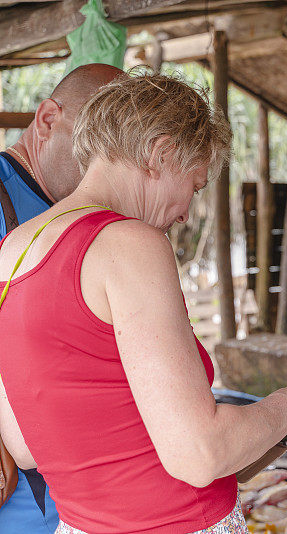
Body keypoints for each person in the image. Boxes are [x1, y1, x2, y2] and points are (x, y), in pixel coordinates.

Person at [0, 72, 287, 533]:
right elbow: (200, 455)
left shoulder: (15, 249)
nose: (185, 212)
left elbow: (26, 446)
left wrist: (277, 433)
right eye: (195, 186)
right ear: (160, 154)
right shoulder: (129, 244)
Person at [0, 63, 123, 533]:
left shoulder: (85, 216)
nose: (106, 159)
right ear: (48, 119)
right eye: (95, 139)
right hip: (21, 503)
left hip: (74, 498)